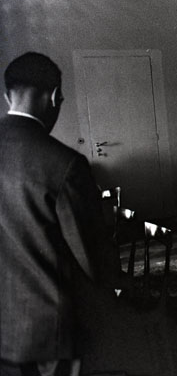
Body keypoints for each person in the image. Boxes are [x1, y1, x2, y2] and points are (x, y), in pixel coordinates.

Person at [0, 52, 119, 375]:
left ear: (8, 96)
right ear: (54, 97)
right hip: (47, 332)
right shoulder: (64, 164)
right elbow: (90, 256)